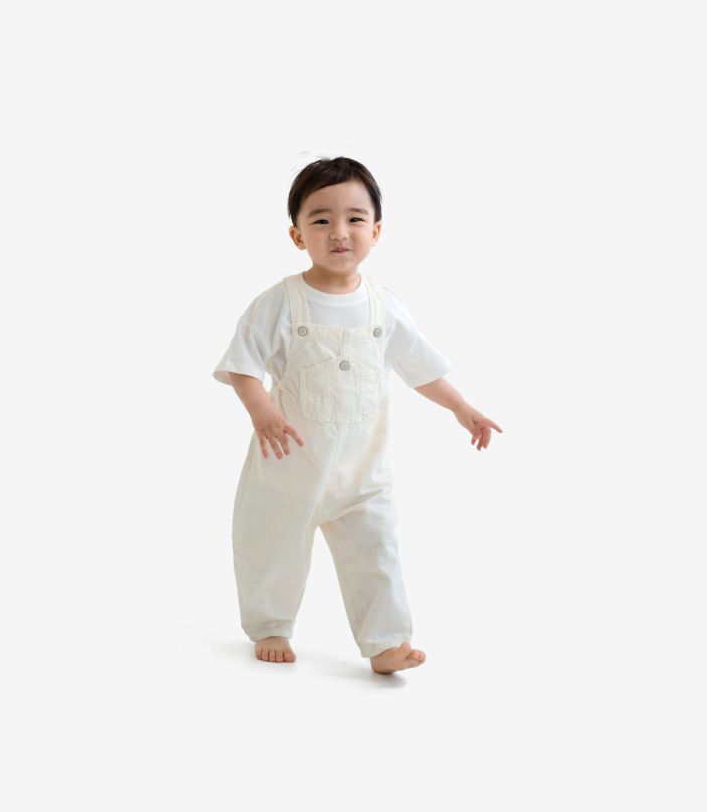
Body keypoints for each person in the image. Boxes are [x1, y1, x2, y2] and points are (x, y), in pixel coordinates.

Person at [212, 156, 503, 674]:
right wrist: (262, 412)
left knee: (377, 551)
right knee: (272, 546)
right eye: (321, 219)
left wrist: (462, 407)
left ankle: (387, 642)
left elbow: (420, 368)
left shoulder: (383, 306)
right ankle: (271, 623)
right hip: (289, 467)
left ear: (376, 231)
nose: (339, 231)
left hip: (362, 471)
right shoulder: (280, 302)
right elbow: (242, 366)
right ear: (297, 235)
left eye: (354, 218)